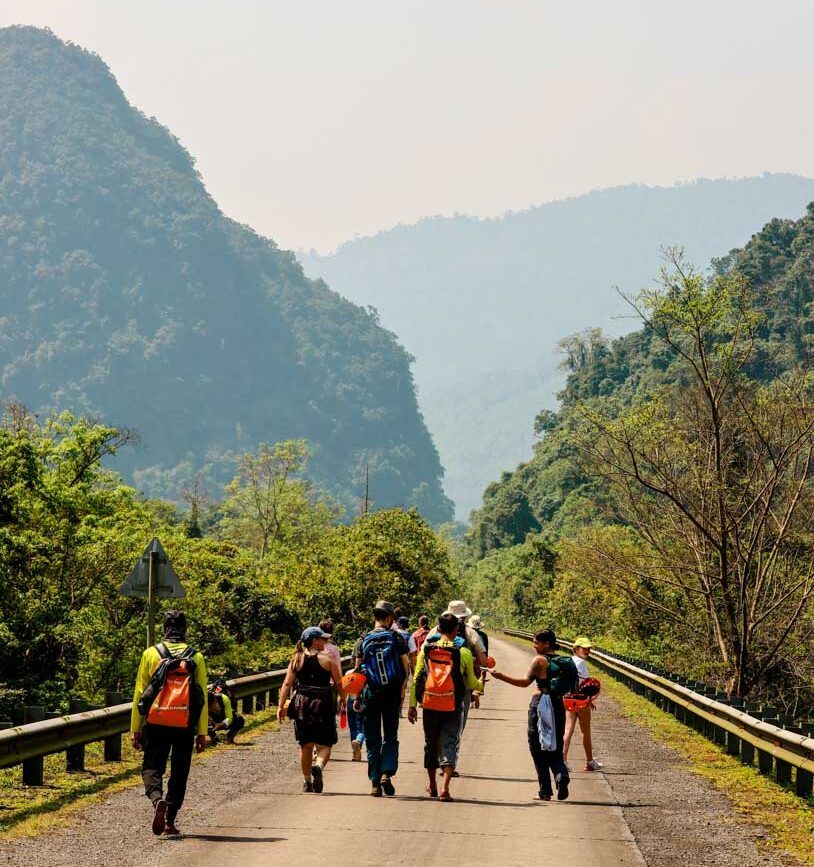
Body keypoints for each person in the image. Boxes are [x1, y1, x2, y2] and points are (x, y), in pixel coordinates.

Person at [130, 609, 208, 837]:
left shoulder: (150, 654)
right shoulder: (196, 657)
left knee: (152, 766)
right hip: (184, 724)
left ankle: (157, 801)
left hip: (156, 721)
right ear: (185, 629)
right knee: (180, 771)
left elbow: (140, 694)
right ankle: (169, 821)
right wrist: (201, 732)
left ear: (164, 628)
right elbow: (201, 696)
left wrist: (135, 728)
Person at [408, 612, 483, 802]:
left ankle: (432, 784)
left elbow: (417, 677)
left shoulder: (427, 649)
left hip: (430, 703)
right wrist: (481, 683)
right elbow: (471, 682)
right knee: (450, 741)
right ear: (457, 629)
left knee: (430, 743)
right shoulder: (463, 652)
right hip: (453, 704)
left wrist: (412, 705)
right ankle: (444, 788)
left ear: (438, 628)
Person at [491, 629, 570, 801]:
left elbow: (525, 683)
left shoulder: (539, 661)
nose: (534, 646)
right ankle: (561, 773)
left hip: (540, 703)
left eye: (536, 642)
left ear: (546, 643)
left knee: (536, 745)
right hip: (557, 704)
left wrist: (501, 676)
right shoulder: (563, 662)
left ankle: (545, 790)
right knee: (555, 743)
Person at [278, 626, 344, 793]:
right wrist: (344, 699)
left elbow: (287, 683)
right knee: (325, 743)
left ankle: (307, 780)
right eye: (323, 639)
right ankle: (319, 767)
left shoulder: (296, 659)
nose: (325, 641)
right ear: (315, 640)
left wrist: (281, 706)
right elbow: (339, 683)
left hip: (302, 703)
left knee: (305, 745)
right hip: (323, 703)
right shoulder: (328, 660)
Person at [354, 600, 410, 796]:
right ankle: (387, 772)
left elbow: (357, 671)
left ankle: (375, 783)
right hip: (392, 693)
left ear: (375, 617)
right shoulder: (396, 638)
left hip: (370, 693)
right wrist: (403, 689)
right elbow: (405, 667)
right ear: (388, 618)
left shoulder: (362, 639)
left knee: (372, 739)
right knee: (391, 735)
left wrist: (357, 697)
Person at [563, 636, 603, 771]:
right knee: (585, 731)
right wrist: (589, 700)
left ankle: (563, 760)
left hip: (569, 699)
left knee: (568, 729)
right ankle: (589, 761)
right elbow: (583, 686)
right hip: (580, 701)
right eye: (584, 648)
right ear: (575, 649)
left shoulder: (569, 661)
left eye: (588, 648)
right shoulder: (580, 663)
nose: (587, 651)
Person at [207, 679, 245, 745]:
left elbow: (229, 718)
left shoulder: (224, 698)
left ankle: (229, 737)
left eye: (212, 705)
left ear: (215, 700)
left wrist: (221, 724)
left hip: (224, 718)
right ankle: (214, 739)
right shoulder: (202, 702)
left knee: (239, 719)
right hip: (212, 720)